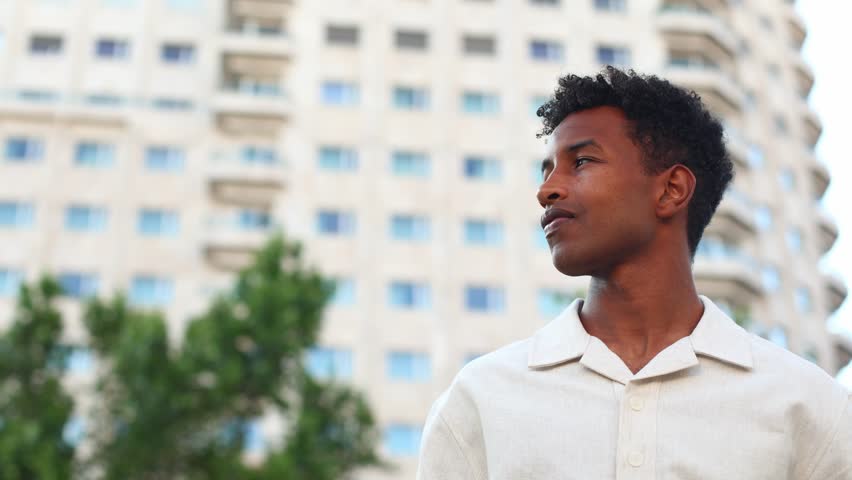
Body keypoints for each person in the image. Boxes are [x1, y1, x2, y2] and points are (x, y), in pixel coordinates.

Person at [416, 66, 851, 479]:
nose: (546, 190)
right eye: (546, 170)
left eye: (582, 161)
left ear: (671, 189)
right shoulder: (482, 398)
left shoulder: (807, 404)